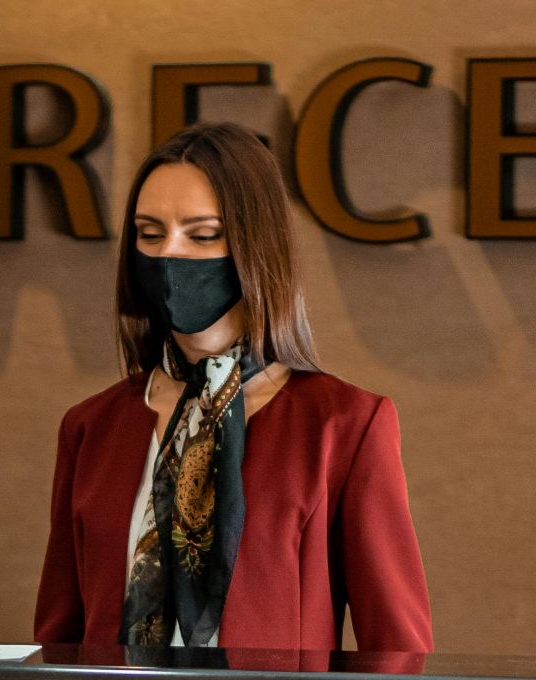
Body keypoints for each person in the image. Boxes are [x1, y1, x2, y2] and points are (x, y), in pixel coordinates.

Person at [34, 122, 432, 653]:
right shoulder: (91, 427)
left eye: (203, 235)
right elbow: (57, 642)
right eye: (150, 234)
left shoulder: (344, 426)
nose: (169, 254)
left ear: (255, 243)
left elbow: (398, 652)